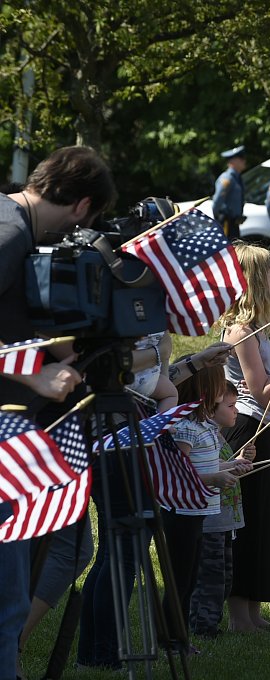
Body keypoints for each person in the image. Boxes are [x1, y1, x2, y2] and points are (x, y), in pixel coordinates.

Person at [0, 147, 111, 678]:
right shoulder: (11, 236)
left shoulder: (9, 221)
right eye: (89, 219)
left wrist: (54, 351)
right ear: (80, 204)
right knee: (6, 605)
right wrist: (35, 375)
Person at [219, 243, 270, 631]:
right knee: (247, 520)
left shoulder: (256, 330)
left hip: (265, 426)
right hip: (246, 426)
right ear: (256, 282)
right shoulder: (240, 331)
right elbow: (258, 388)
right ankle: (238, 616)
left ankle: (255, 611)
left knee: (265, 520)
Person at [166, 364, 250, 653]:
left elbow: (207, 465)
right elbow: (179, 474)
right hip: (184, 513)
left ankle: (180, 640)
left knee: (190, 580)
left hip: (201, 513)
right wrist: (214, 478)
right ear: (204, 393)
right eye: (218, 389)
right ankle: (173, 639)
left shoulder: (205, 428)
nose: (222, 394)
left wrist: (230, 466)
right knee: (181, 581)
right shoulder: (185, 428)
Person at [189, 382, 256, 638]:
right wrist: (230, 466)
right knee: (210, 578)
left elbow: (220, 465)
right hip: (209, 522)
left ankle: (209, 623)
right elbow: (203, 467)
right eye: (230, 405)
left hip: (224, 522)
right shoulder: (202, 436)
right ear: (208, 408)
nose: (236, 410)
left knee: (224, 577)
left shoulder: (218, 436)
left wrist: (239, 461)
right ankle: (202, 627)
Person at [212, 145, 246, 241]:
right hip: (226, 222)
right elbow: (217, 201)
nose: (244, 161)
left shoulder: (238, 178)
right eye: (241, 159)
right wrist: (219, 220)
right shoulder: (228, 178)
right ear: (233, 161)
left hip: (234, 223)